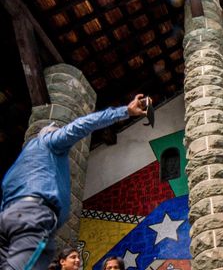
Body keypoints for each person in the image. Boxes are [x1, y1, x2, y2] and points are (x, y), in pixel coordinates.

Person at [0, 95, 150, 270]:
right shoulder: (50, 142)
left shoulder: (18, 167)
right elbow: (81, 125)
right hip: (35, 216)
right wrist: (125, 111)